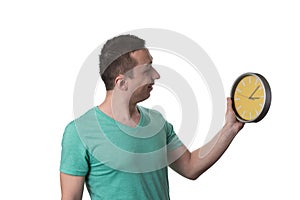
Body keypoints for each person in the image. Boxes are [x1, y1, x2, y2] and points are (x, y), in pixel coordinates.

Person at [60, 34, 244, 200]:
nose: (156, 75)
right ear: (122, 83)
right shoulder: (79, 132)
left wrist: (230, 128)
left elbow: (190, 167)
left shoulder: (157, 122)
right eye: (147, 69)